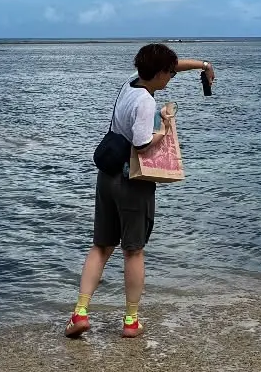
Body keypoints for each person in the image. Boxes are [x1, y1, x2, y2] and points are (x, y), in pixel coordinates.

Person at [65, 43, 215, 339]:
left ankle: (80, 313)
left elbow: (167, 64)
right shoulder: (146, 102)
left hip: (106, 177)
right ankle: (131, 321)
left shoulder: (129, 84)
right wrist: (165, 127)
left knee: (101, 246)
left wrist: (203, 65)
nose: (172, 77)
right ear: (159, 73)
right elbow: (143, 144)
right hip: (132, 182)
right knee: (133, 251)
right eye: (170, 73)